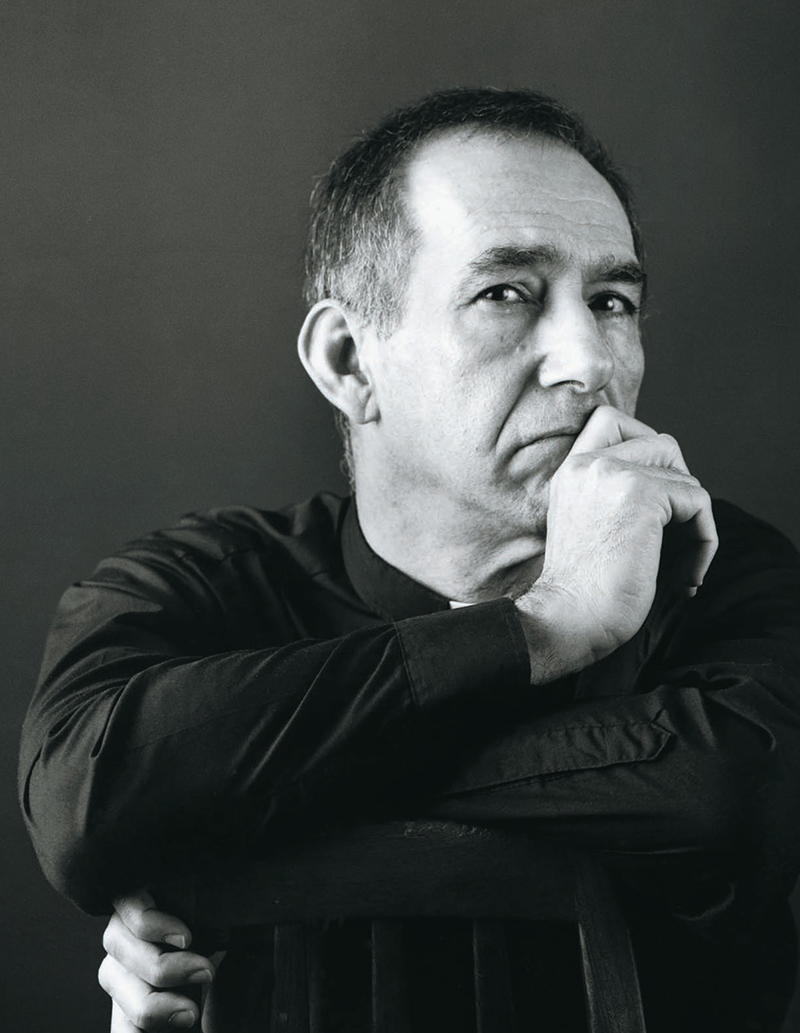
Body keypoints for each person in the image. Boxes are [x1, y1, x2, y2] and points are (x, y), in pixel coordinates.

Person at [19, 87, 800, 1033]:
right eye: (505, 292)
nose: (588, 360)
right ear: (350, 360)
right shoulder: (193, 585)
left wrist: (229, 820)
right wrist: (549, 625)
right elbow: (88, 797)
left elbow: (729, 795)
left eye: (612, 300)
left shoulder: (722, 569)